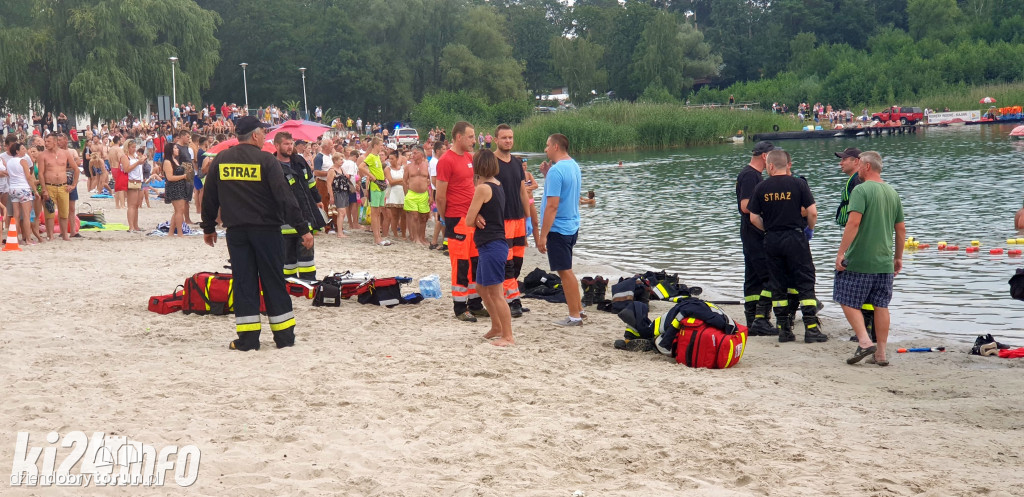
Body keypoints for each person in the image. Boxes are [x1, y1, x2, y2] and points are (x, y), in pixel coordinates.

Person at [201, 116, 313, 351]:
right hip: (267, 232)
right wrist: (303, 228)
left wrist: (209, 227)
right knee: (273, 280)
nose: (265, 137)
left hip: (237, 233)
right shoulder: (266, 161)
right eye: (263, 133)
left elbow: (210, 195)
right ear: (254, 135)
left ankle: (248, 339)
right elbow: (285, 198)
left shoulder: (221, 159)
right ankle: (284, 337)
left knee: (244, 283)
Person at [747, 150, 826, 343]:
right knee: (805, 281)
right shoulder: (799, 184)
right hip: (795, 238)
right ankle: (811, 329)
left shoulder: (761, 187)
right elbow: (812, 212)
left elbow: (753, 217)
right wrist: (809, 230)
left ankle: (784, 330)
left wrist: (768, 229)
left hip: (772, 240)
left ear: (771, 166)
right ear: (786, 164)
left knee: (778, 284)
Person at [835, 151, 905, 367]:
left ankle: (865, 341)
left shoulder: (861, 190)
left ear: (865, 167)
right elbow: (900, 229)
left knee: (844, 296)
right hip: (884, 260)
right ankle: (881, 353)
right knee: (881, 304)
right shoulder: (892, 192)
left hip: (861, 257)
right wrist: (898, 257)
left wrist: (841, 253)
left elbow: (853, 223)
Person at [436, 121, 487, 321]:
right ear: (459, 137)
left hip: (472, 218)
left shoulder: (469, 157)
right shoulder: (446, 160)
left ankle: (475, 304)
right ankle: (460, 307)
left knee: (475, 263)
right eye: (471, 137)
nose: (474, 140)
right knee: (461, 265)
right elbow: (440, 196)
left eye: (474, 137)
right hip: (456, 219)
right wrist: (447, 217)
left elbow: (474, 184)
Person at [465, 149, 512, 346]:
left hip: (493, 244)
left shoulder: (483, 188)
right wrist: (477, 216)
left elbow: (468, 220)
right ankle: (496, 326)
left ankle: (508, 336)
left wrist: (474, 217)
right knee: (481, 288)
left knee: (496, 293)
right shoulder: (496, 184)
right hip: (490, 244)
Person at [538, 133, 583, 326]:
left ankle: (575, 316)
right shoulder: (573, 165)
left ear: (556, 147)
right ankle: (579, 308)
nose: (545, 149)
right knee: (567, 271)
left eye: (547, 145)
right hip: (572, 224)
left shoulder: (557, 170)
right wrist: (548, 176)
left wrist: (542, 235)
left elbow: (552, 206)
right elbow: (566, 190)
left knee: (565, 272)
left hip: (559, 228)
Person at [492, 124, 536, 318]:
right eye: (504, 138)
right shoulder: (491, 162)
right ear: (496, 140)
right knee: (507, 262)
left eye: (510, 137)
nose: (508, 141)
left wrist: (527, 218)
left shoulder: (517, 163)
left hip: (518, 218)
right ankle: (513, 301)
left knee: (517, 262)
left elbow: (522, 192)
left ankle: (509, 296)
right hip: (502, 220)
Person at [834, 147, 875, 341]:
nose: (841, 163)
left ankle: (865, 329)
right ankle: (869, 328)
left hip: (859, 237)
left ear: (857, 161)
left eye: (844, 159)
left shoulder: (857, 182)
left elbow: (857, 216)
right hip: (863, 236)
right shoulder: (854, 181)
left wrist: (845, 249)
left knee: (859, 282)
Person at [736, 141, 777, 336]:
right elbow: (745, 205)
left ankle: (752, 321)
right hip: (754, 232)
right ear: (764, 157)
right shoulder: (751, 175)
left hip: (750, 232)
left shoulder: (753, 175)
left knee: (753, 278)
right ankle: (760, 318)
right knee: (768, 276)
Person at [274, 131, 325, 280]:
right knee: (287, 258)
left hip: (305, 214)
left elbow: (310, 183)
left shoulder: (300, 162)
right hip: (283, 220)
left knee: (307, 255)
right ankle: (288, 284)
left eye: (291, 144)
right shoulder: (272, 165)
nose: (290, 147)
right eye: (286, 144)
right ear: (277, 145)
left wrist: (317, 199)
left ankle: (308, 281)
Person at [37, 134, 73, 241]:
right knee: (49, 212)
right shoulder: (43, 155)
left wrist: (73, 185)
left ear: (55, 142)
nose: (46, 144)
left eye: (48, 141)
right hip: (50, 185)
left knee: (64, 212)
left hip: (63, 186)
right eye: (45, 141)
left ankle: (65, 235)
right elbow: (41, 174)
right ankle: (50, 235)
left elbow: (75, 168)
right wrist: (44, 189)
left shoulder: (65, 153)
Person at [5, 142, 42, 244]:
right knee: (26, 215)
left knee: (16, 215)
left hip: (13, 189)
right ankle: (28, 239)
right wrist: (35, 190)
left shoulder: (9, 162)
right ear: (17, 151)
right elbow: (28, 177)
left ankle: (16, 238)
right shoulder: (23, 161)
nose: (24, 150)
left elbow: (9, 174)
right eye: (22, 149)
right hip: (23, 188)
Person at [356, 136, 390, 245]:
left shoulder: (376, 157)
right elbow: (361, 167)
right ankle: (377, 238)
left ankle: (379, 237)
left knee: (378, 212)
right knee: (375, 213)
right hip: (375, 185)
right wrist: (370, 175)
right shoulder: (371, 156)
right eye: (380, 145)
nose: (382, 147)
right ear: (375, 145)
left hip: (380, 184)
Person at [162, 131, 191, 237]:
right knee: (179, 210)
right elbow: (170, 177)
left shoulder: (175, 160)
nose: (177, 149)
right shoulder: (167, 162)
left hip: (180, 185)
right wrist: (183, 176)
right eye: (175, 148)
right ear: (170, 150)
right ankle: (179, 232)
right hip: (174, 187)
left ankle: (171, 232)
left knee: (178, 210)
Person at [403, 145, 431, 246]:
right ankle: (415, 238)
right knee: (414, 216)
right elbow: (404, 180)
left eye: (415, 153)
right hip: (412, 193)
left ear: (421, 154)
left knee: (423, 217)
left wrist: (431, 196)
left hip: (423, 194)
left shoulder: (427, 166)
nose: (412, 155)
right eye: (412, 153)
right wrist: (406, 194)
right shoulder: (408, 166)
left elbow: (430, 181)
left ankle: (422, 237)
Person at [312, 138, 337, 233]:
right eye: (331, 145)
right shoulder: (319, 157)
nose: (332, 147)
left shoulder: (331, 156)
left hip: (331, 183)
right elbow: (316, 172)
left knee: (333, 204)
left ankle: (335, 225)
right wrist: (329, 173)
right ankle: (327, 226)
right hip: (322, 183)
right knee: (325, 204)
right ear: (326, 146)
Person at [122, 140, 147, 232]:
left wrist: (141, 161)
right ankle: (131, 226)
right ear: (127, 147)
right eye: (132, 147)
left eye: (134, 147)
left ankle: (136, 225)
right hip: (131, 181)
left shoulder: (135, 156)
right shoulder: (125, 157)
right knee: (132, 205)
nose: (134, 149)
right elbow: (126, 169)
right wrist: (138, 163)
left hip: (139, 180)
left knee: (137, 205)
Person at [326, 152, 351, 238]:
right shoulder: (332, 170)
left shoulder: (342, 169)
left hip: (344, 192)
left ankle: (340, 230)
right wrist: (331, 196)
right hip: (337, 192)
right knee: (341, 212)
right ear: (335, 160)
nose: (342, 161)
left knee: (343, 213)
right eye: (340, 159)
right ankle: (339, 232)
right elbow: (329, 184)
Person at [384, 148, 407, 239]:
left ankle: (404, 234)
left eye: (392, 159)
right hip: (393, 193)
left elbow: (406, 180)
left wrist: (398, 181)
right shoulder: (387, 169)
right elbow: (391, 181)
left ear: (397, 159)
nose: (390, 161)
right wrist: (401, 180)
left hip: (402, 192)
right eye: (389, 159)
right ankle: (395, 234)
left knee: (404, 215)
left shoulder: (403, 168)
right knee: (394, 215)